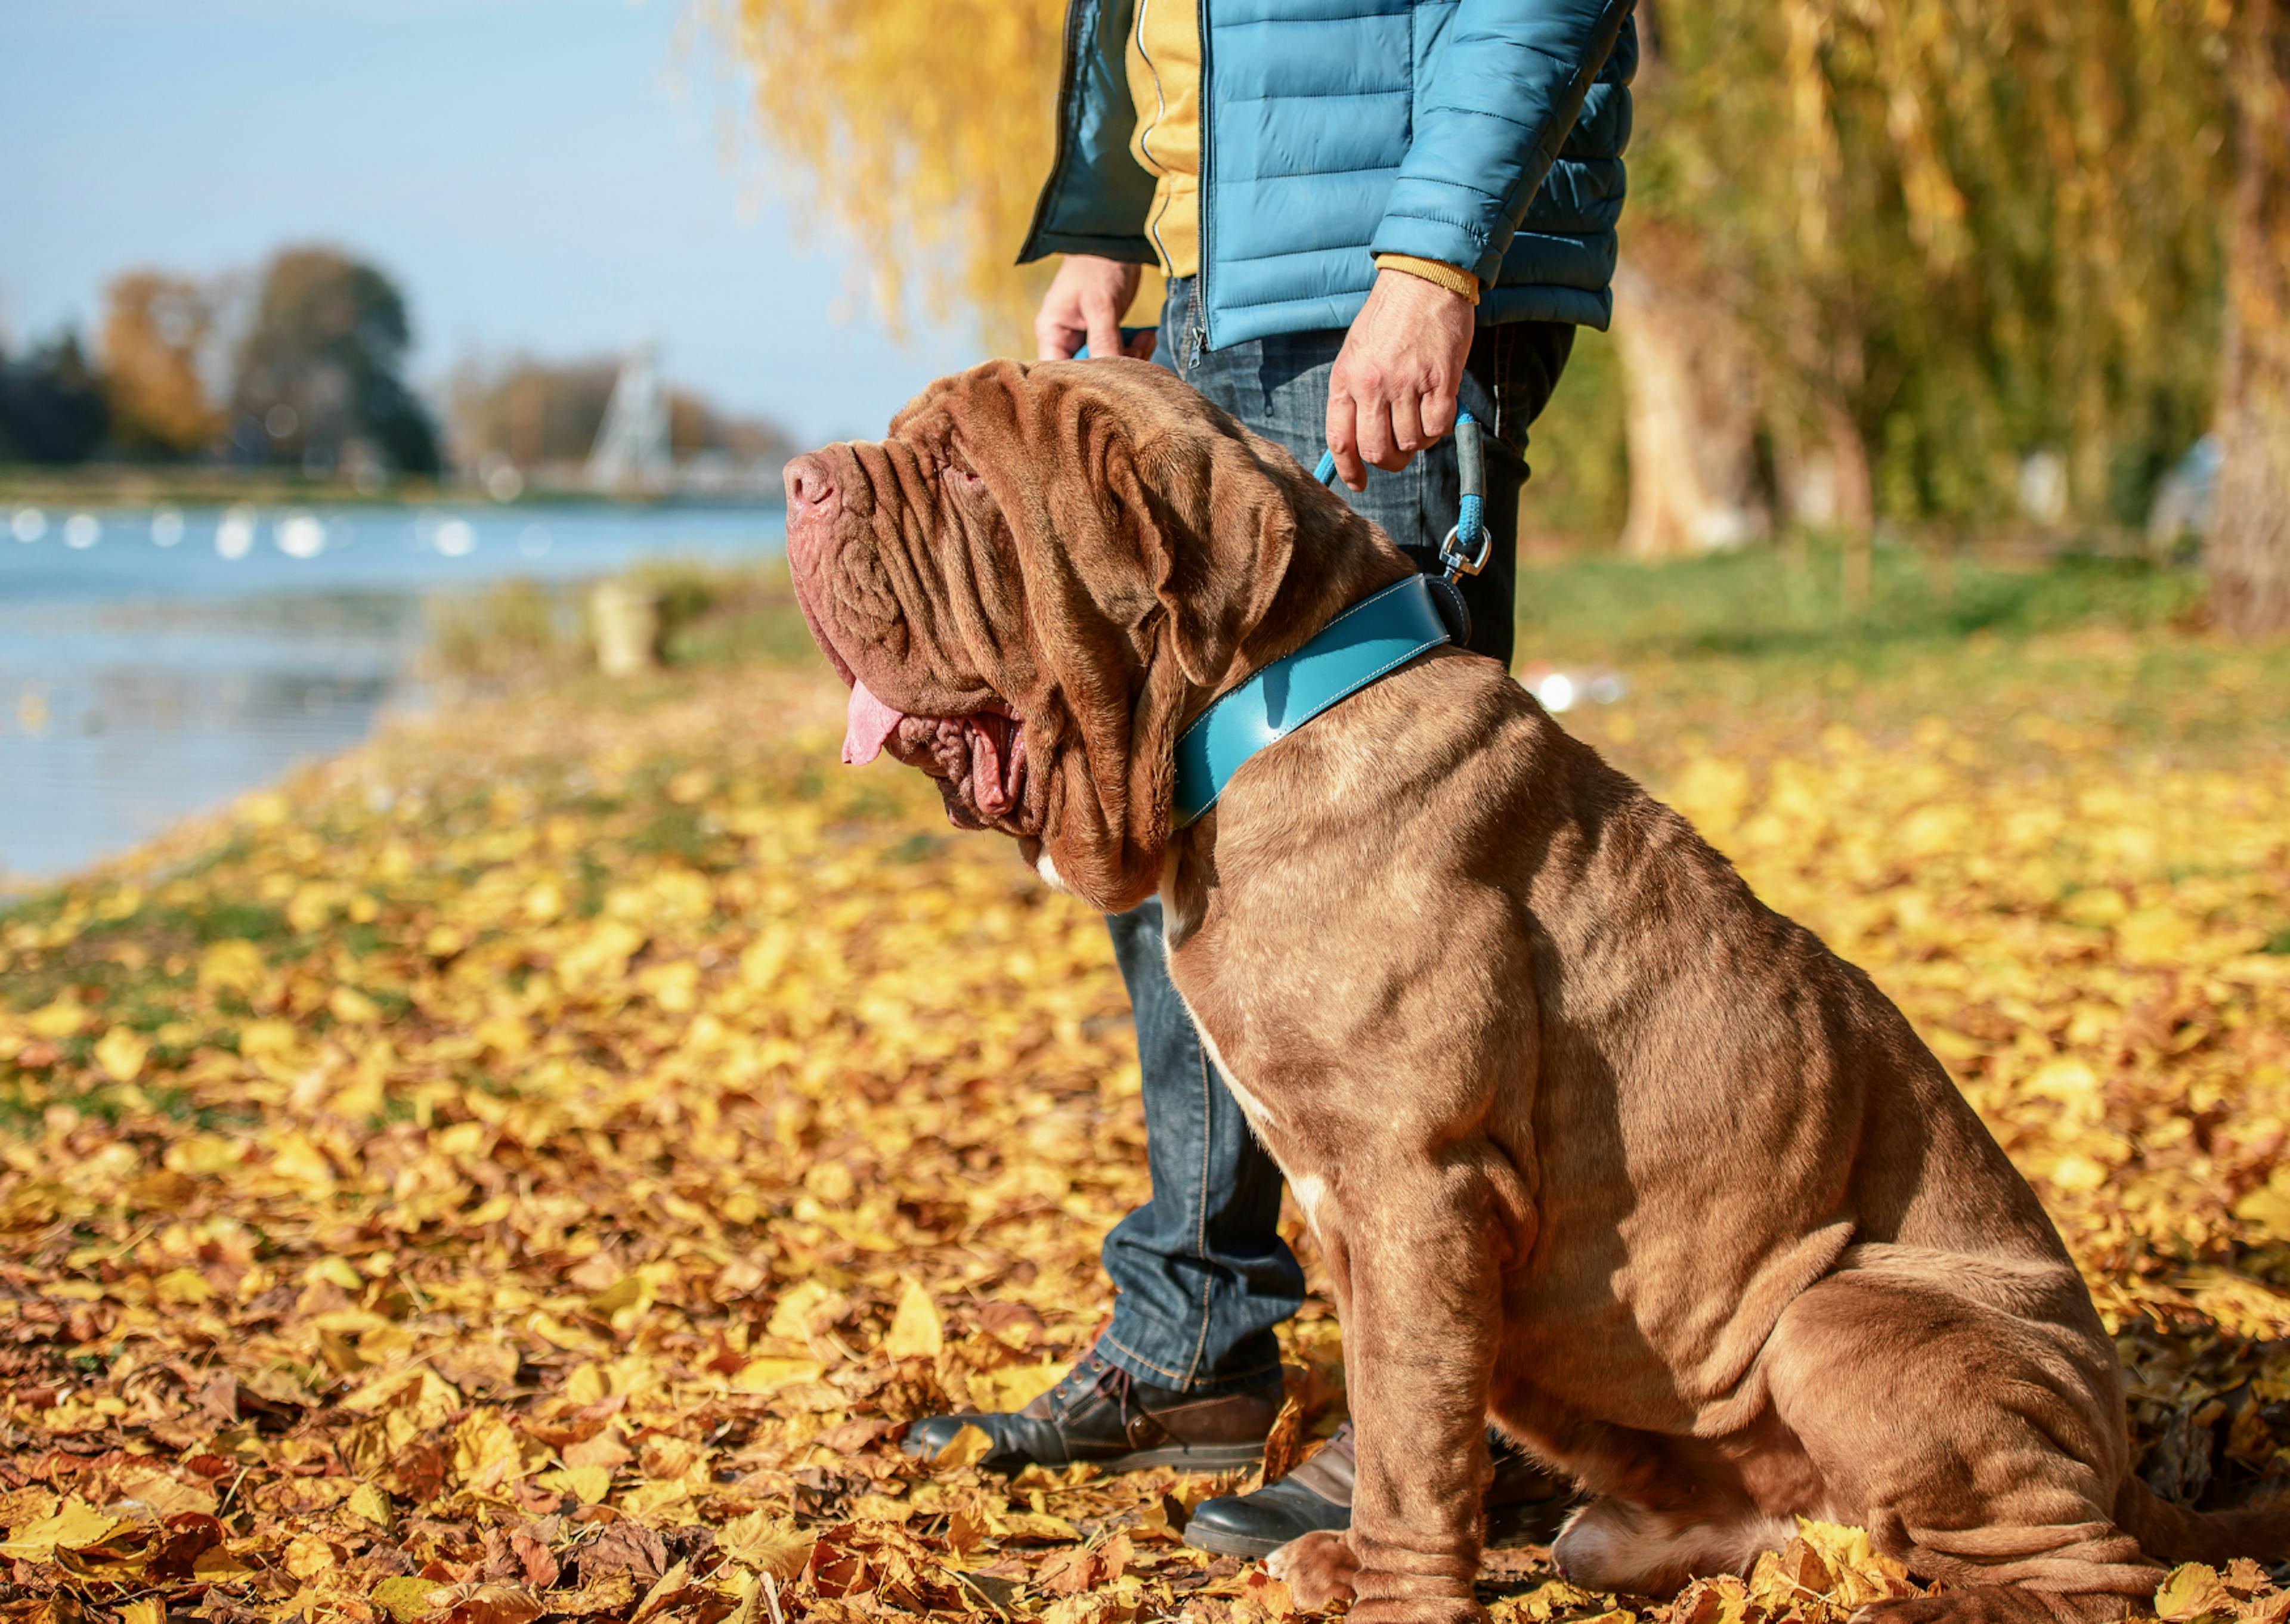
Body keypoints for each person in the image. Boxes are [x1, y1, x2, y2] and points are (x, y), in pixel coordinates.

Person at [906, 0, 1637, 1558]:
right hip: (1216, 284)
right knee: (1166, 803)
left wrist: (1432, 265)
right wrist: (1109, 219)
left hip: (1370, 276)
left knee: (1394, 887)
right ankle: (1194, 1336)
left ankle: (1468, 1411)